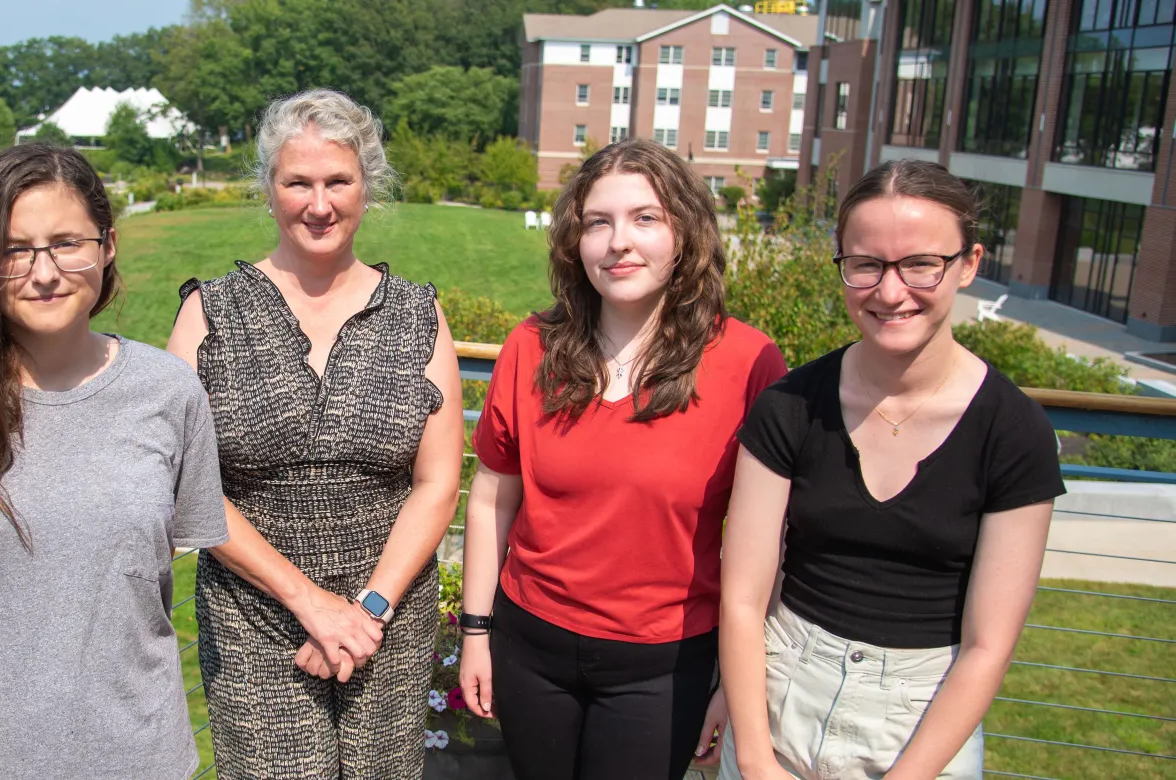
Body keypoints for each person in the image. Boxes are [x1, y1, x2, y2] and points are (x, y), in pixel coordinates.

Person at [0, 143, 229, 780]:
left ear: (107, 246)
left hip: (138, 759)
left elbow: (147, 576)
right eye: (14, 249)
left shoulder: (170, 392)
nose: (44, 272)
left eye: (66, 243)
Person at [718, 161, 1063, 780]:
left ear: (969, 262)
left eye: (921, 264)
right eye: (867, 264)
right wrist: (754, 758)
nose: (890, 291)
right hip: (782, 691)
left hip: (924, 717)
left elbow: (988, 646)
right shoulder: (791, 407)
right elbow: (744, 598)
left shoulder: (1013, 433)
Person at [454, 139, 788, 779]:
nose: (618, 242)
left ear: (685, 234)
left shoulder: (747, 363)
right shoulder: (532, 347)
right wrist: (476, 631)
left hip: (663, 666)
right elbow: (494, 495)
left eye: (646, 218)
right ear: (575, 243)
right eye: (598, 222)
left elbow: (771, 542)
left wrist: (735, 687)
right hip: (530, 648)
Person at [164, 88, 463, 779]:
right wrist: (309, 604)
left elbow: (437, 481)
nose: (319, 203)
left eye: (339, 181)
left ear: (368, 188)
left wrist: (368, 609)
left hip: (386, 621)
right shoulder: (208, 314)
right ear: (268, 189)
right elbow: (188, 485)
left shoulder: (420, 315)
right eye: (298, 182)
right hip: (254, 620)